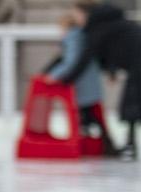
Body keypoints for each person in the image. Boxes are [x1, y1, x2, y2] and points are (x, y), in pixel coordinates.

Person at [59, 1, 141, 160]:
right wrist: (112, 69)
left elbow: (84, 59)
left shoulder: (97, 29)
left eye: (77, 15)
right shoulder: (112, 23)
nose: (76, 19)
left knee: (134, 103)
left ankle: (133, 145)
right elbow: (116, 46)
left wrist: (65, 80)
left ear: (86, 14)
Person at [47, 10, 114, 153]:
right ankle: (101, 145)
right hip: (88, 84)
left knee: (89, 116)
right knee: (93, 116)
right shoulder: (80, 37)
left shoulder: (73, 38)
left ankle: (98, 146)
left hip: (84, 85)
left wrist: (54, 76)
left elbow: (70, 62)